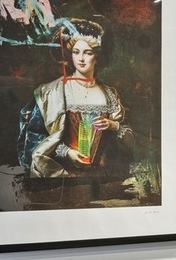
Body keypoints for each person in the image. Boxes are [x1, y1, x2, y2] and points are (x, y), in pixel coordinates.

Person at [18, 19, 132, 178]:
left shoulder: (109, 94)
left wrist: (114, 125)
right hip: (63, 175)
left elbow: (129, 143)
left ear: (97, 57)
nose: (81, 59)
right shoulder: (52, 92)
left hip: (105, 176)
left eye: (88, 52)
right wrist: (67, 152)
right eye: (76, 52)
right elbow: (35, 137)